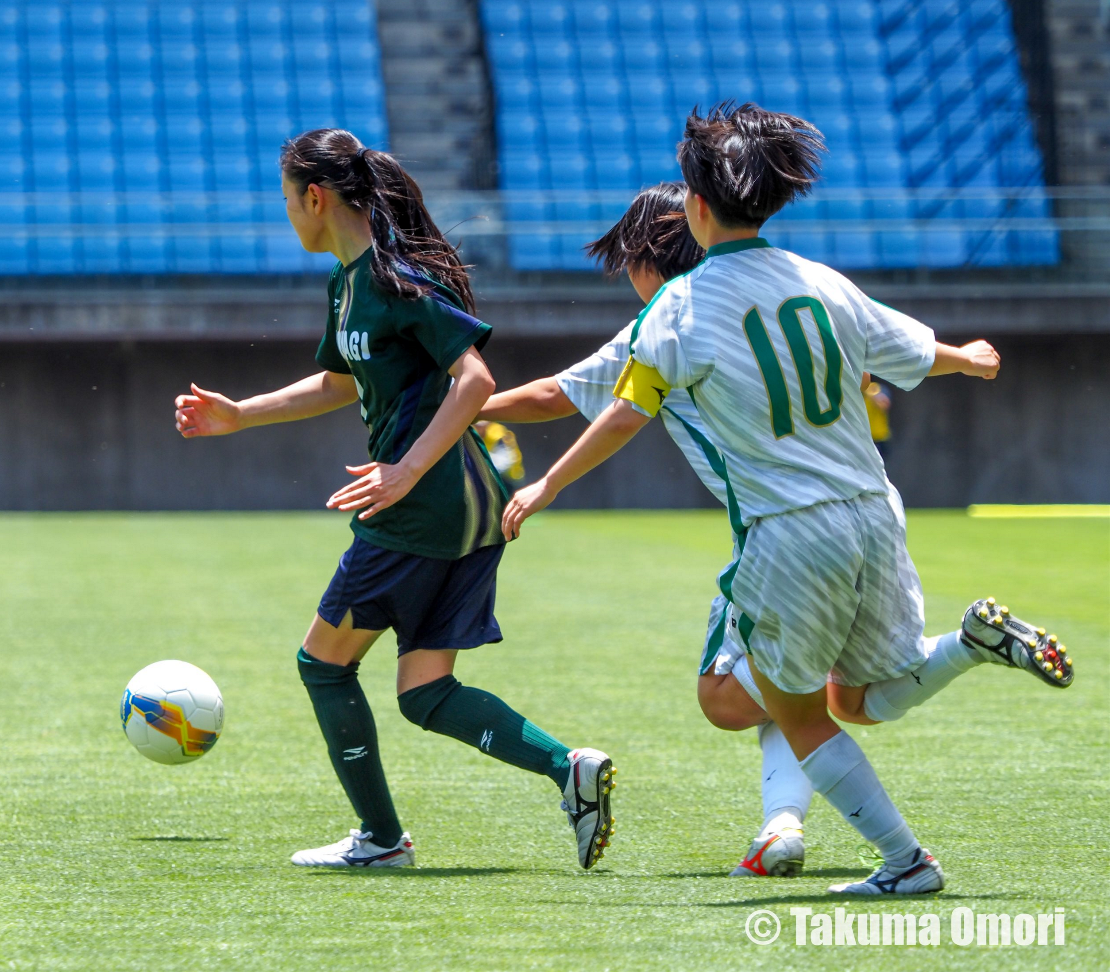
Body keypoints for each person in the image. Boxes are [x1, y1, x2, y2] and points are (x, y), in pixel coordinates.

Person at [499, 104, 1074, 895]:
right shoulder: (819, 279)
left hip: (789, 532)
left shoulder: (680, 307)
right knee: (862, 698)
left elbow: (629, 408)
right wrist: (968, 358)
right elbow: (908, 348)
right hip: (874, 513)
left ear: (697, 209)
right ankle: (969, 643)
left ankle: (905, 862)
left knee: (786, 708)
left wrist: (546, 481)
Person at [173, 129, 615, 870]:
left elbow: (473, 380)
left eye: (287, 200)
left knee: (323, 664)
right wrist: (241, 413)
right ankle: (568, 769)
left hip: (425, 503)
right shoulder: (349, 283)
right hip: (465, 505)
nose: (286, 214)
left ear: (315, 198)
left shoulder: (390, 275)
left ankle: (381, 842)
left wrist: (405, 470)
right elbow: (340, 381)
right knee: (425, 691)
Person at [479, 182, 814, 877]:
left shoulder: (665, 321)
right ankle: (783, 824)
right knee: (788, 682)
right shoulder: (771, 298)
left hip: (772, 534)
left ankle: (958, 648)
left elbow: (560, 397)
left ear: (641, 260)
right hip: (854, 512)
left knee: (727, 697)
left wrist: (456, 414)